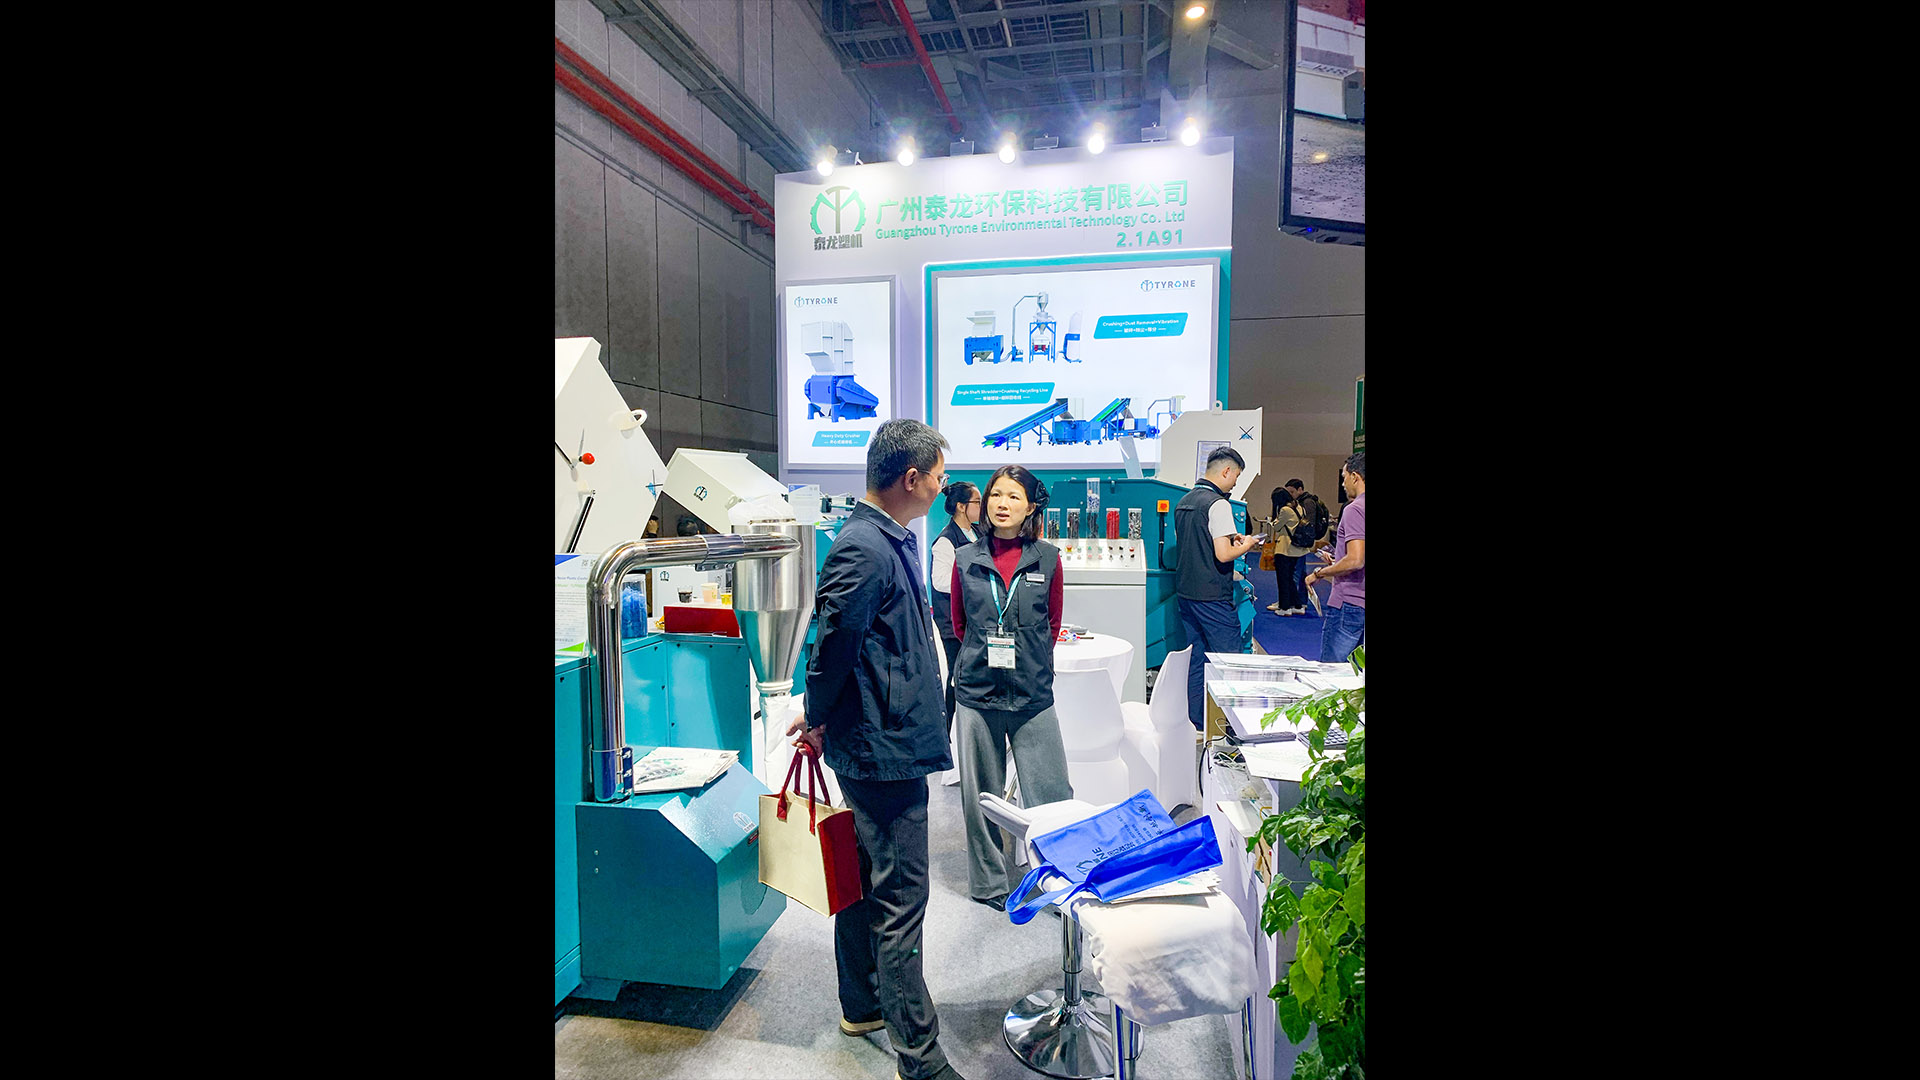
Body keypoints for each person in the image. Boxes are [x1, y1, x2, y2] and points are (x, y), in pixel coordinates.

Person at [787, 419, 970, 1080]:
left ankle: (863, 1005)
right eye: (939, 478)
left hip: (884, 736)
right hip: (881, 747)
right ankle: (920, 1059)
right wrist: (817, 715)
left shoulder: (887, 537)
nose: (944, 488)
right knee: (900, 901)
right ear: (911, 478)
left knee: (869, 884)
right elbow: (832, 645)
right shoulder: (864, 547)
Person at [948, 465, 1073, 911]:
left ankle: (1061, 880)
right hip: (977, 692)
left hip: (1032, 692)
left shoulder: (1048, 558)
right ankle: (989, 882)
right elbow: (960, 624)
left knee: (1051, 792)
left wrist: (1027, 656)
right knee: (981, 795)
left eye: (1014, 496)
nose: (1002, 504)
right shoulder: (965, 558)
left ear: (1031, 507)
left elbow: (1052, 623)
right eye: (996, 495)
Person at [1174, 447, 1263, 730]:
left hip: (1186, 593)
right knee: (1229, 660)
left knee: (1197, 659)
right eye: (1236, 476)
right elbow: (1223, 555)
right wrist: (1247, 544)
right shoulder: (1219, 504)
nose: (1235, 482)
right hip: (1212, 595)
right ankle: (1232, 726)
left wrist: (1227, 539)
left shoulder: (1184, 501)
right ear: (1226, 471)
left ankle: (1198, 724)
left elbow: (1197, 543)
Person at [929, 481, 982, 737]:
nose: (982, 507)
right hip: (953, 625)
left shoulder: (978, 533)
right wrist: (974, 582)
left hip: (976, 621)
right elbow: (940, 581)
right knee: (955, 678)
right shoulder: (945, 541)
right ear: (961, 506)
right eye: (977, 502)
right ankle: (946, 736)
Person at [1306, 452, 1366, 665]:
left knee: (1333, 673)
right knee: (1358, 676)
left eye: (1344, 477)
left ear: (1355, 477)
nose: (1343, 484)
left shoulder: (1355, 509)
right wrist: (1338, 561)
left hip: (1350, 602)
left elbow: (1356, 560)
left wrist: (1319, 573)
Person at [1267, 489, 1309, 616]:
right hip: (1298, 549)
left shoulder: (1285, 510)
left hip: (1285, 549)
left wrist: (1272, 520)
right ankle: (1297, 605)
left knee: (1283, 579)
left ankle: (1284, 608)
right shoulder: (1300, 507)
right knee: (1290, 579)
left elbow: (1277, 527)